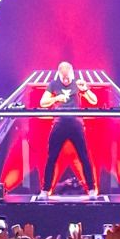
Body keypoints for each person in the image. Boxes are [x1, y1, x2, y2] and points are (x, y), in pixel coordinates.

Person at [37, 62, 100, 198]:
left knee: (84, 157)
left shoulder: (78, 83)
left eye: (68, 77)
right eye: (63, 77)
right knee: (51, 158)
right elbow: (42, 103)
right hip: (59, 123)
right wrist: (56, 98)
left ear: (71, 73)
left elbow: (94, 101)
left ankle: (91, 189)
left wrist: (85, 90)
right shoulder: (53, 84)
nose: (66, 80)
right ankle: (45, 190)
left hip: (76, 124)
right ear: (59, 74)